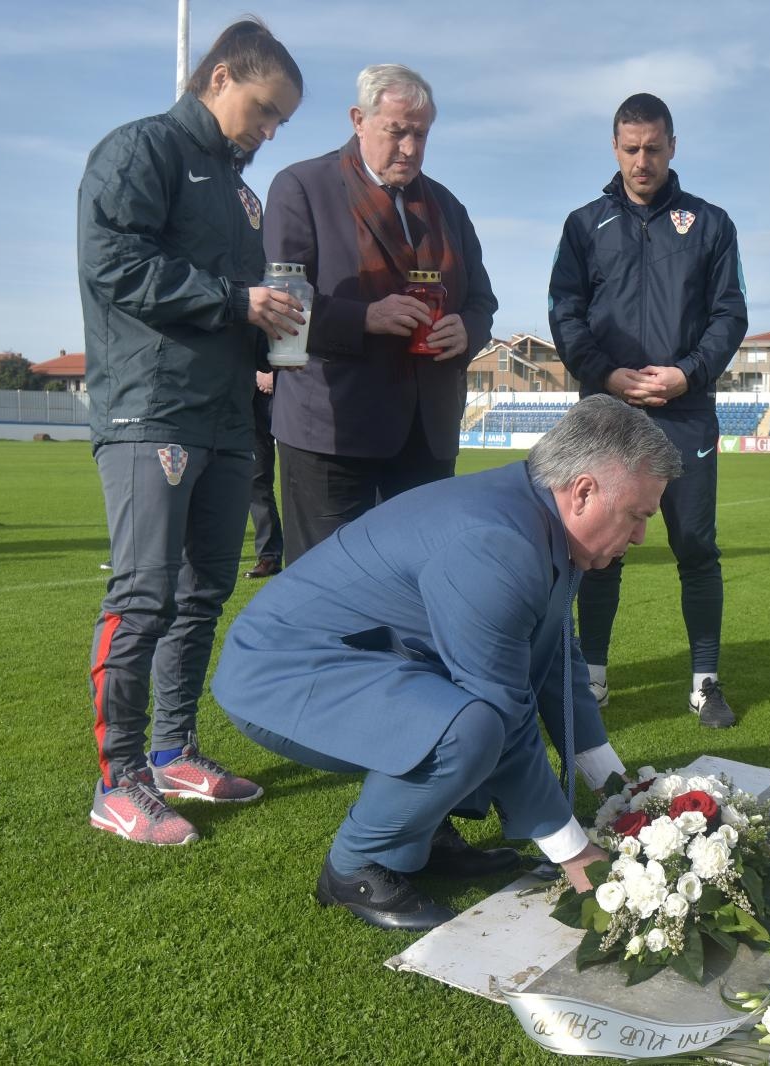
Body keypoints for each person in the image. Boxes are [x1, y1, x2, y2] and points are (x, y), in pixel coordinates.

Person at [211, 396, 679, 930]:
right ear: (584, 492)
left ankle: (422, 834)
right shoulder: (500, 543)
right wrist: (575, 853)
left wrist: (615, 785)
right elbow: (505, 711)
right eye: (637, 515)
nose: (641, 536)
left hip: (342, 657)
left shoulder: (534, 516)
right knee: (470, 726)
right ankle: (354, 866)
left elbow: (554, 657)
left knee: (468, 712)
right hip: (280, 674)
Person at [77, 19, 305, 846]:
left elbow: (235, 302)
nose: (270, 130)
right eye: (265, 109)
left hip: (225, 415)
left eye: (282, 120)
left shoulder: (241, 193)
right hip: (152, 406)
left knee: (204, 591)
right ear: (219, 78)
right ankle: (117, 780)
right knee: (145, 594)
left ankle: (172, 751)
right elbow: (112, 262)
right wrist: (236, 301)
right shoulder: (143, 150)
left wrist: (271, 334)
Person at [548, 93, 748, 729]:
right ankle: (593, 679)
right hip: (606, 412)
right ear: (614, 147)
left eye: (654, 149)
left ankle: (705, 682)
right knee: (598, 548)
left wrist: (687, 373)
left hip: (684, 410)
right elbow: (564, 313)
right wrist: (605, 373)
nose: (642, 161)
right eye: (631, 149)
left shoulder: (710, 224)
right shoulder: (584, 225)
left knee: (695, 546)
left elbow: (729, 314)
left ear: (672, 146)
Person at [264, 63, 497, 565]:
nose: (409, 148)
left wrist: (467, 329)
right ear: (358, 120)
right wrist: (365, 318)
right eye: (397, 132)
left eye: (421, 134)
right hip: (333, 432)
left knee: (416, 582)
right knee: (324, 584)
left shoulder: (447, 207)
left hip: (427, 436)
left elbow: (482, 300)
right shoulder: (302, 187)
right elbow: (282, 305)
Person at [244, 370, 284, 578]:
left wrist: (276, 375)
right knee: (256, 480)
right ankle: (269, 556)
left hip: (292, 391)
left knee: (298, 476)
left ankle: (306, 552)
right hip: (252, 396)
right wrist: (257, 374)